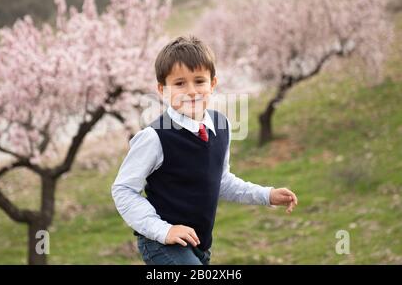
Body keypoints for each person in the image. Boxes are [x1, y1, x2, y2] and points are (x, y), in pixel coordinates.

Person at [111, 35, 298, 265]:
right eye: (179, 84)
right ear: (162, 90)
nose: (191, 91)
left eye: (199, 81)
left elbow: (221, 181)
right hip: (162, 243)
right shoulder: (154, 137)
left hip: (200, 245)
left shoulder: (222, 125)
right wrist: (163, 230)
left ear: (213, 84)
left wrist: (266, 195)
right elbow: (123, 190)